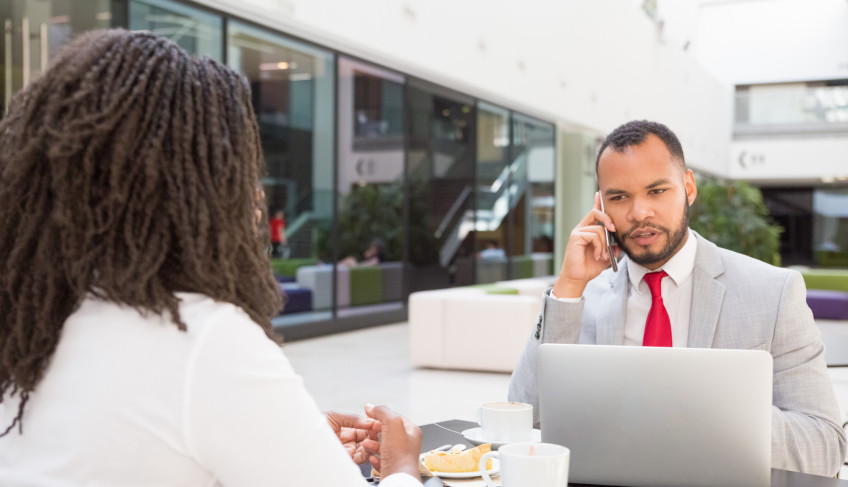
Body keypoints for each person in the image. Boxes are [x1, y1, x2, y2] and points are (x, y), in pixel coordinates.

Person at [0, 29, 423, 486]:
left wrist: (283, 438)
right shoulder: (204, 337)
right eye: (242, 168)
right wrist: (402, 467)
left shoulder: (31, 323)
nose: (256, 193)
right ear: (199, 188)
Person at [508, 120, 847, 477]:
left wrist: (702, 416)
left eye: (656, 191)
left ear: (688, 187)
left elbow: (824, 447)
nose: (639, 213)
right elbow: (521, 421)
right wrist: (568, 287)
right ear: (601, 205)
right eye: (619, 197)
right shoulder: (580, 298)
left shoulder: (773, 293)